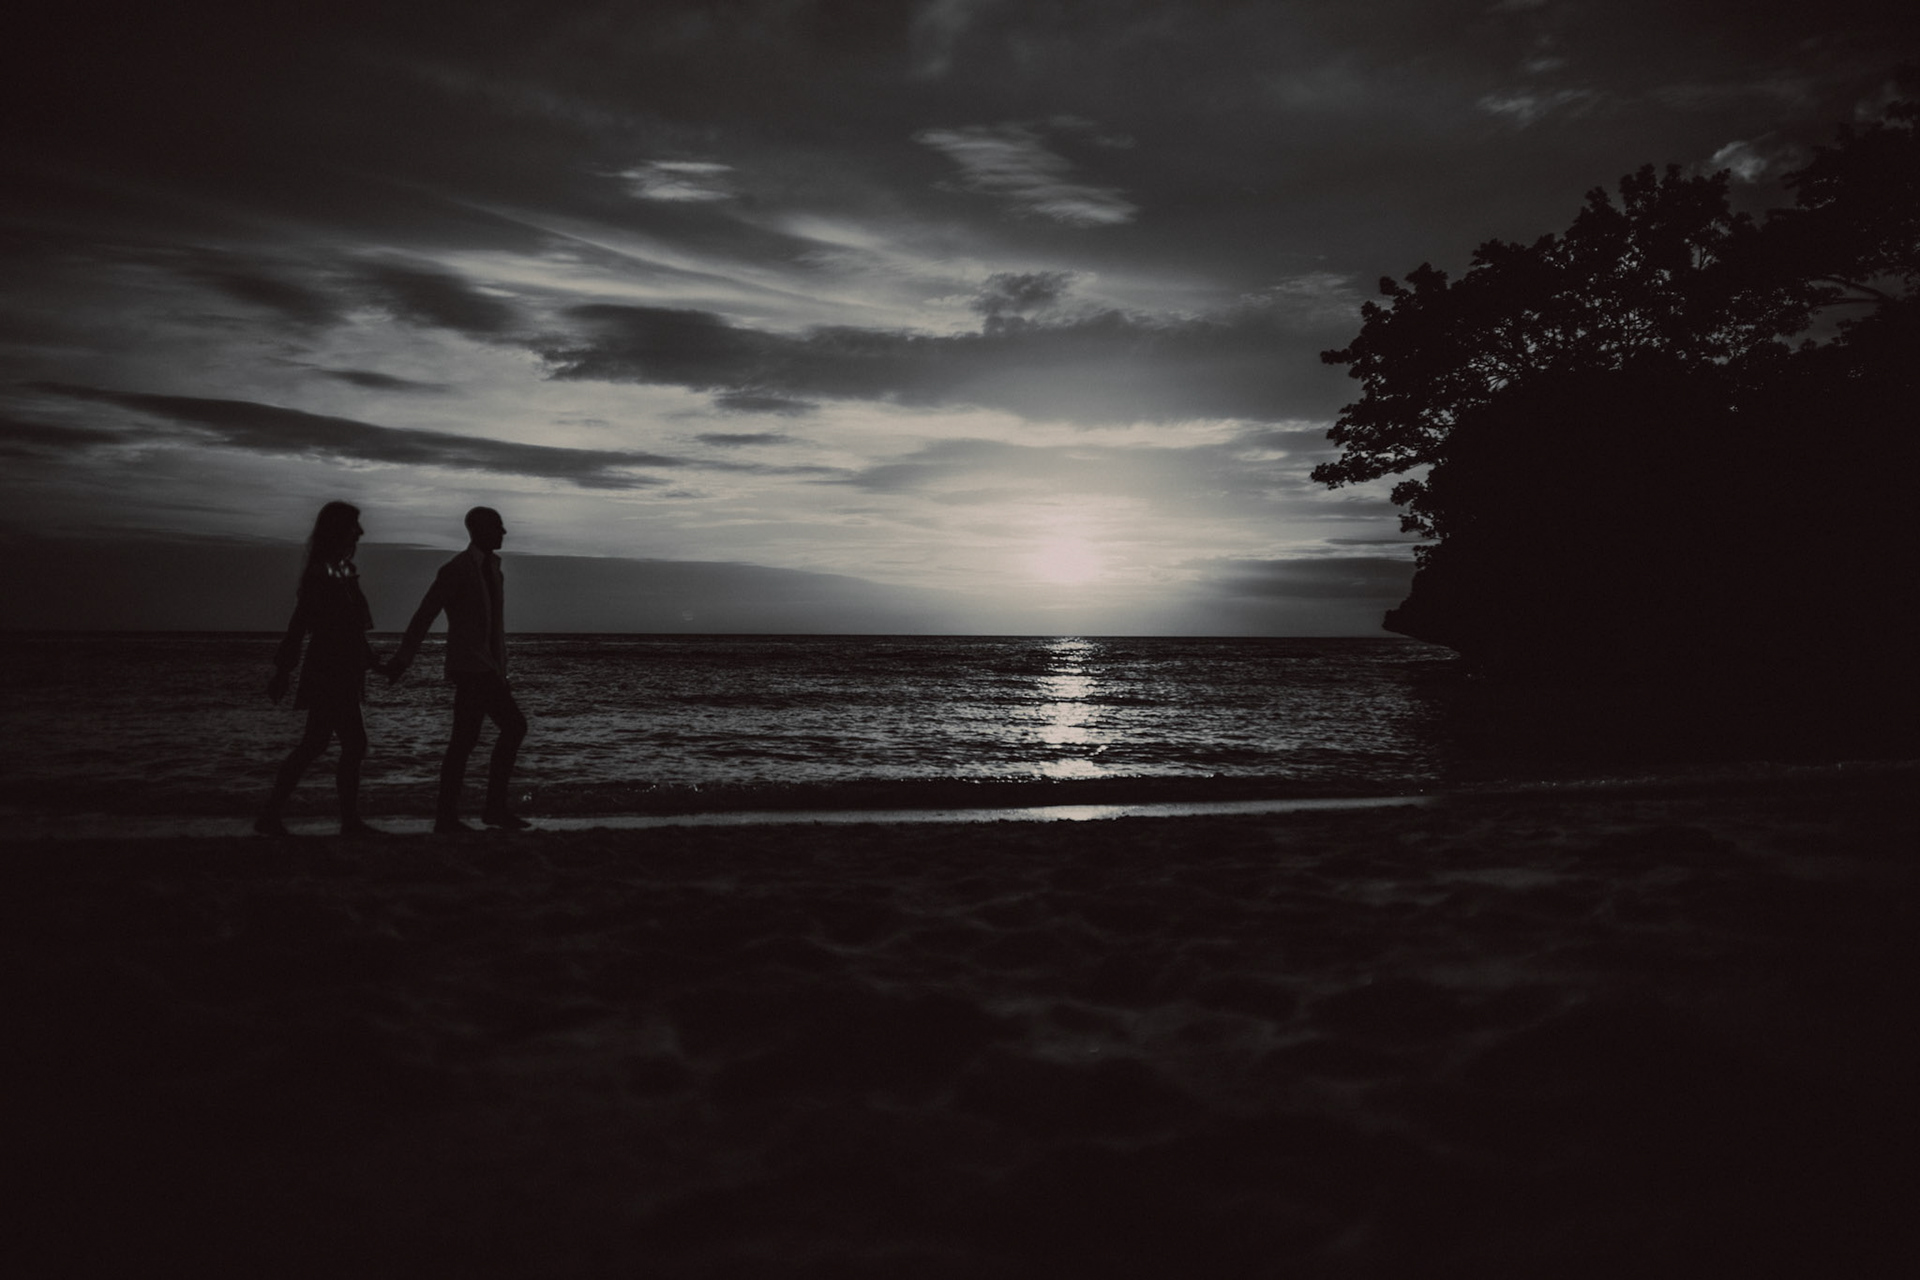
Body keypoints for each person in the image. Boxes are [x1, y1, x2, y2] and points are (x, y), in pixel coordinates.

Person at [388, 506, 531, 833]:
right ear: (479, 529)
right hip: (470, 668)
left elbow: (494, 629)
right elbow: (425, 614)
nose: (504, 532)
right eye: (497, 526)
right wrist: (404, 658)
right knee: (509, 728)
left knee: (466, 740)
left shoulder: (494, 570)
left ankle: (456, 815)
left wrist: (502, 671)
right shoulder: (457, 569)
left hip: (488, 669)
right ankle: (485, 810)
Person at [256, 501, 388, 838]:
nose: (360, 532)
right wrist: (284, 670)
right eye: (354, 526)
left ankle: (274, 814)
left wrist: (372, 662)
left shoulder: (343, 570)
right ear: (339, 529)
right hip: (330, 668)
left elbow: (352, 629)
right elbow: (300, 623)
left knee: (317, 744)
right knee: (350, 743)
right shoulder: (322, 573)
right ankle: (347, 822)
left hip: (342, 666)